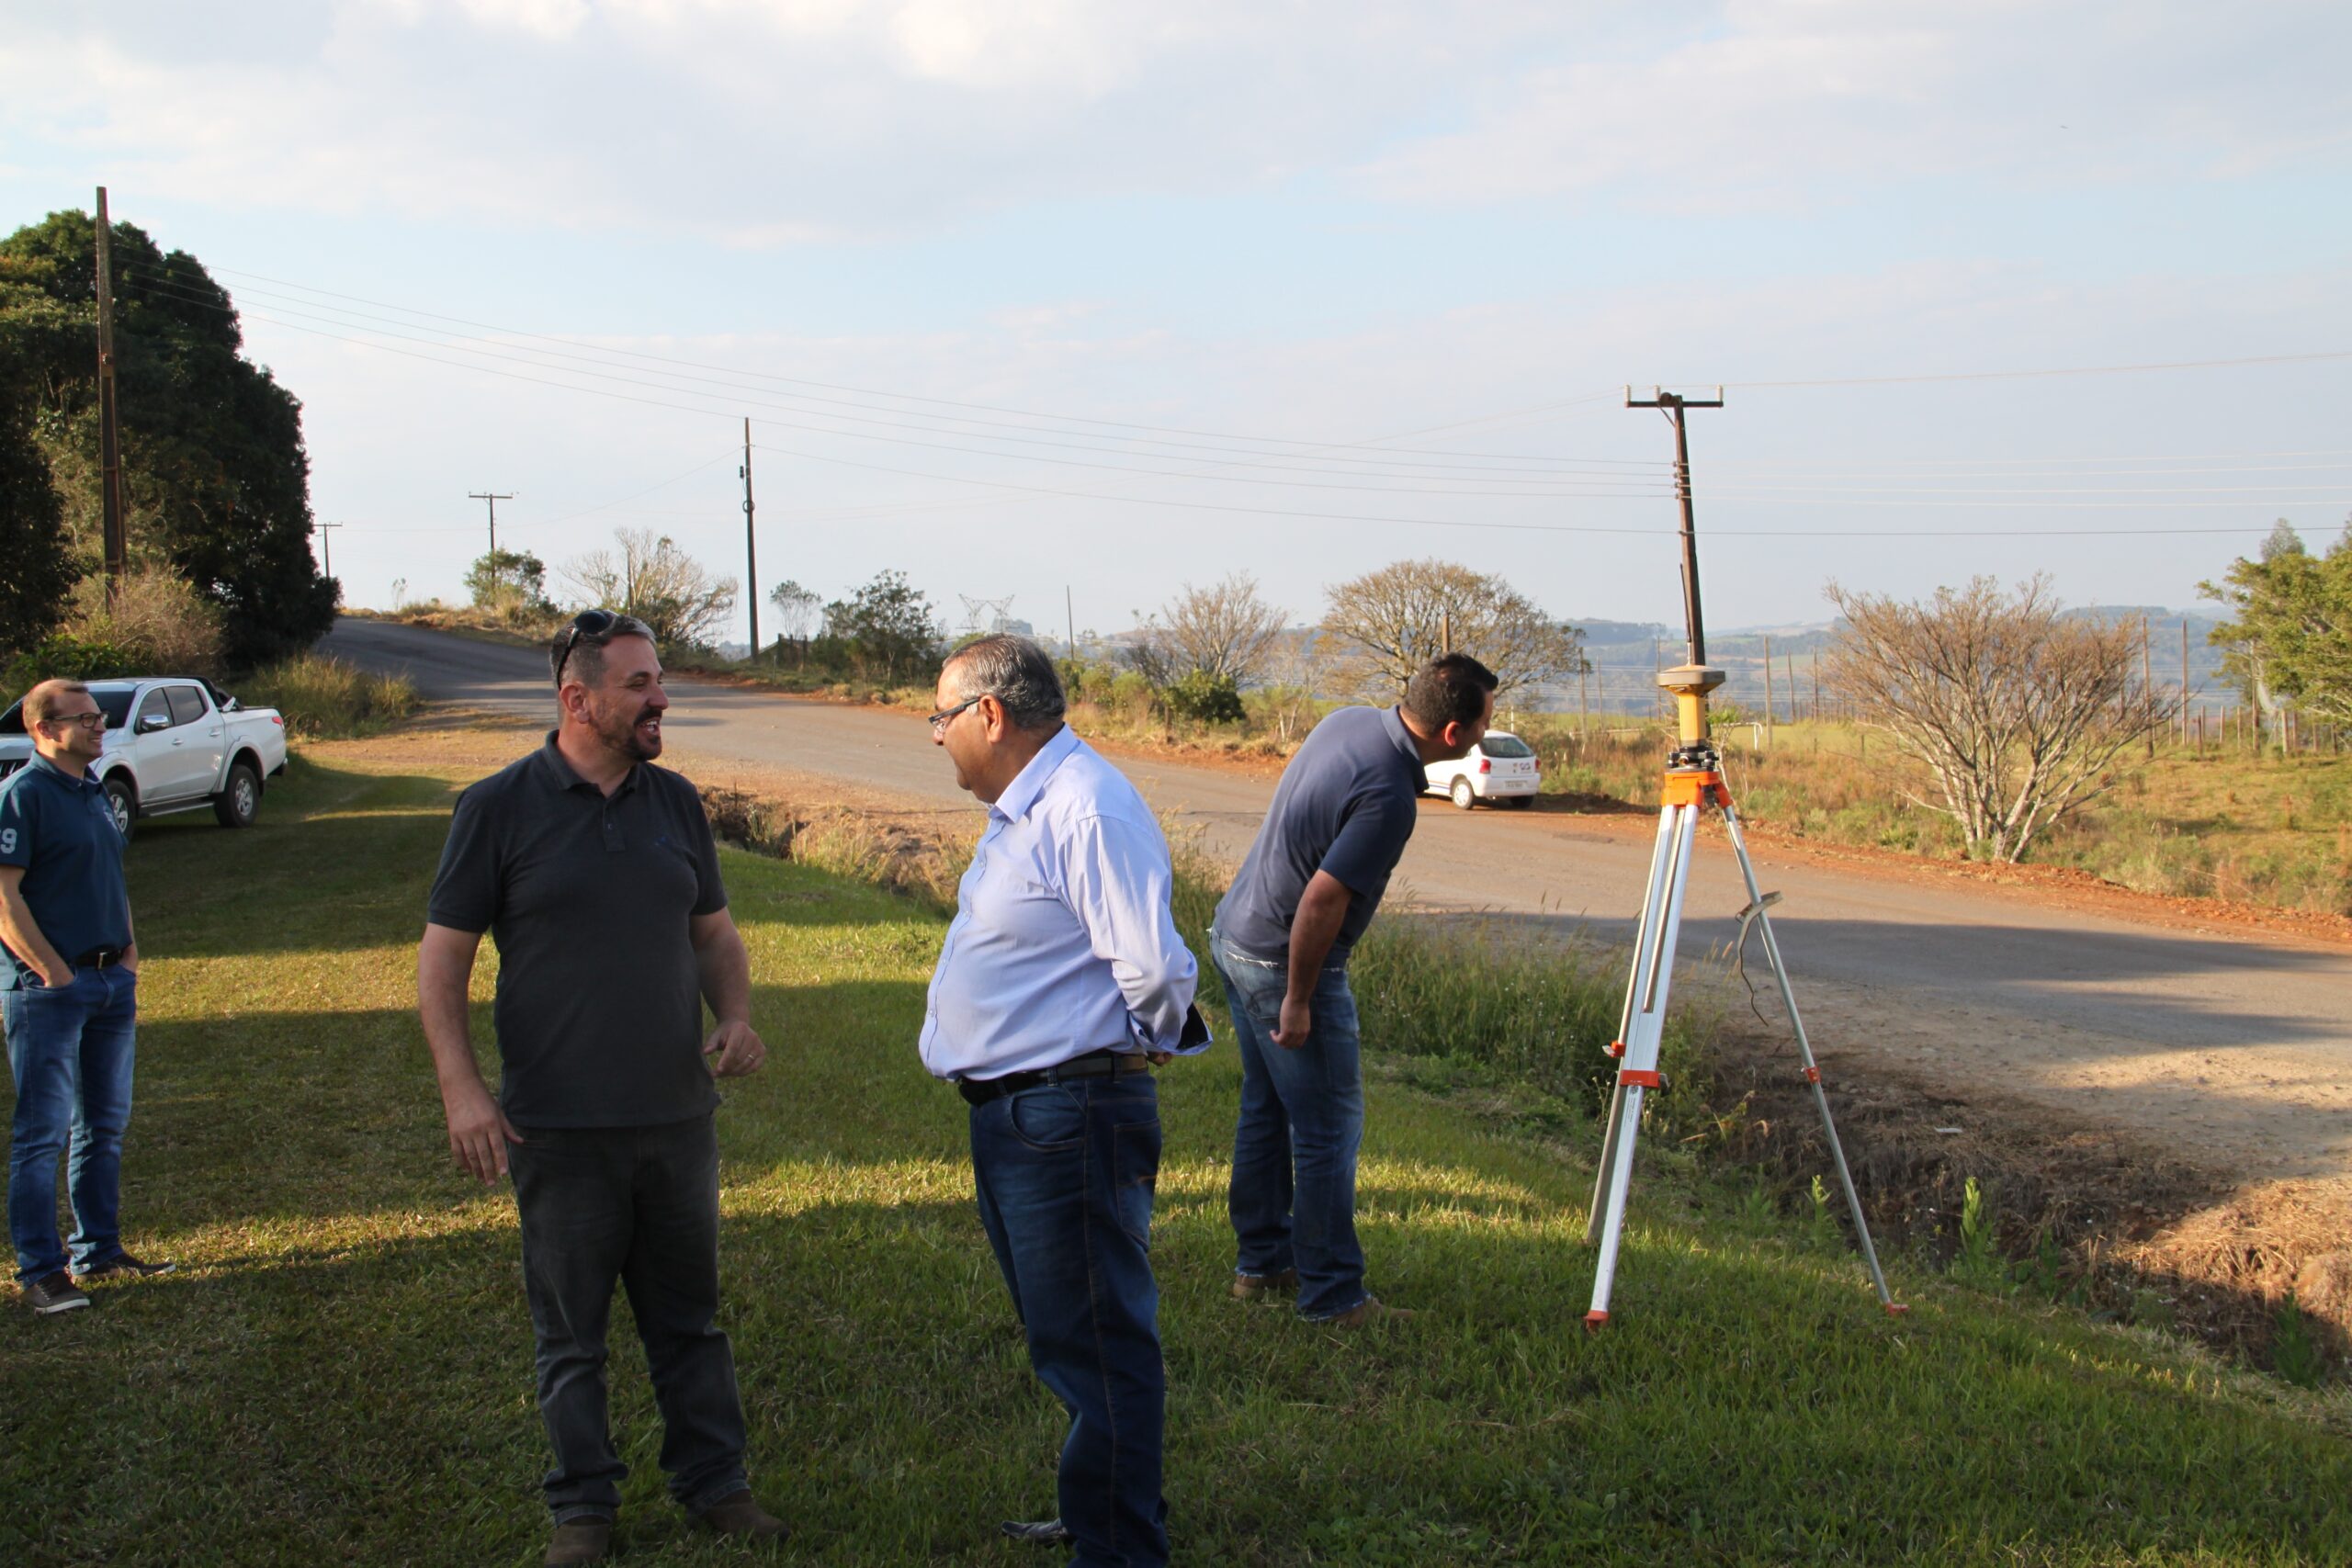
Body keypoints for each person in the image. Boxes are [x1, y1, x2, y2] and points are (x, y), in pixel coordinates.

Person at [417, 611, 786, 1568]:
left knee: (689, 1321)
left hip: (675, 1119)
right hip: (559, 1130)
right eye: (639, 684)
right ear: (577, 699)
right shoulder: (495, 809)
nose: (660, 697)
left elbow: (713, 934)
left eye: (657, 679)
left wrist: (736, 1015)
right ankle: (582, 1511)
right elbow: (442, 965)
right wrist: (465, 1092)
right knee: (572, 1335)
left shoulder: (675, 804)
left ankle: (716, 1485)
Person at [921, 636, 1204, 1568]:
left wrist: (1141, 1042)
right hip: (1024, 1116)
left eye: (941, 717)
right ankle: (1103, 1511)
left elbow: (1155, 965)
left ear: (989, 715)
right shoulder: (1024, 810)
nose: (937, 738)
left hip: (1066, 1117)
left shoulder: (1083, 806)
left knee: (1097, 1342)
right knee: (1067, 1337)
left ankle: (1118, 1546)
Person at [1212, 653, 1497, 1325]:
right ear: (1452, 733)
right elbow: (1321, 901)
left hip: (1233, 932)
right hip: (1281, 959)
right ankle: (1334, 1296)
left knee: (1265, 1104)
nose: (1490, 730)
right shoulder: (1392, 795)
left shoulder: (1348, 722)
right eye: (1486, 720)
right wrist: (1300, 999)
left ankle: (1262, 1264)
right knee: (1327, 1130)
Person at [2, 679, 171, 1316]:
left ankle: (98, 1247)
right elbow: (4, 898)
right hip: (49, 991)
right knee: (42, 1134)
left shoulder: (94, 790)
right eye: (84, 719)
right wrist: (52, 972)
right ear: (44, 729)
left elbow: (110, 873)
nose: (99, 726)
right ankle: (42, 1272)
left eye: (99, 716)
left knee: (103, 1124)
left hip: (109, 982)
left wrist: (127, 951)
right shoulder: (22, 797)